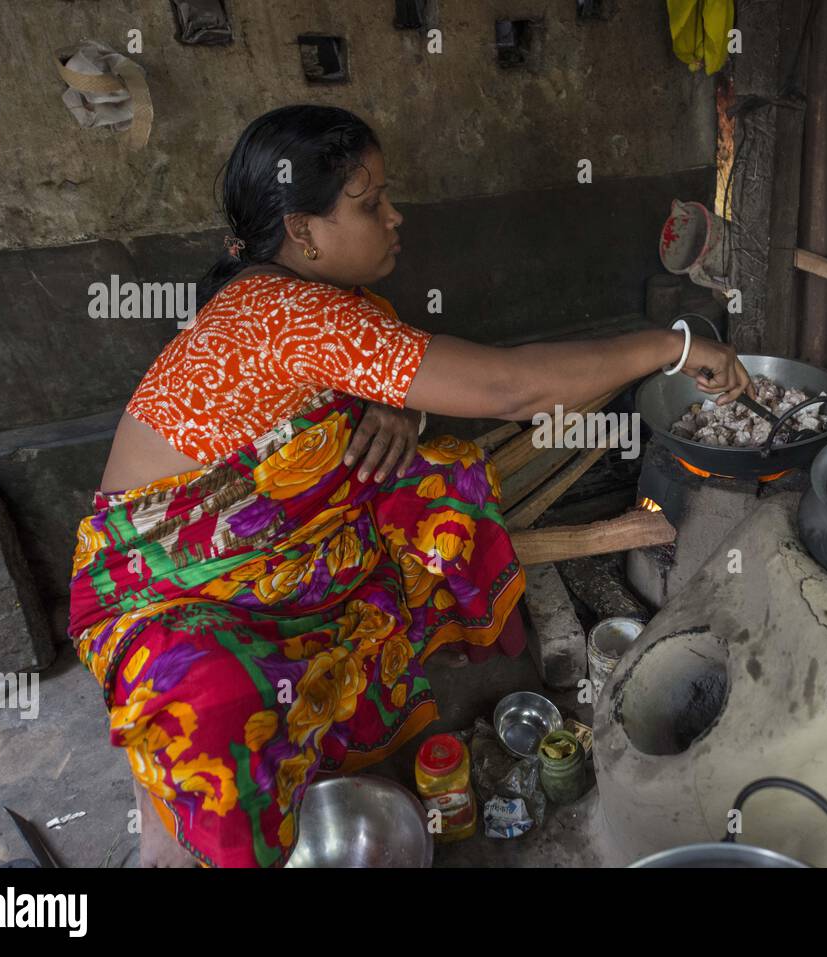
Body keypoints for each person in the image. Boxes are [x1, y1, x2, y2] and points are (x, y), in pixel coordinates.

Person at [68, 104, 752, 867]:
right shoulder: (281, 313)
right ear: (303, 231)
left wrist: (400, 404)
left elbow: (395, 372)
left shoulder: (326, 305)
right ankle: (198, 822)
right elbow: (507, 389)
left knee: (437, 487)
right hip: (163, 590)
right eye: (369, 205)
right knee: (218, 702)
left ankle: (344, 707)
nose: (396, 218)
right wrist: (673, 344)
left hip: (265, 553)